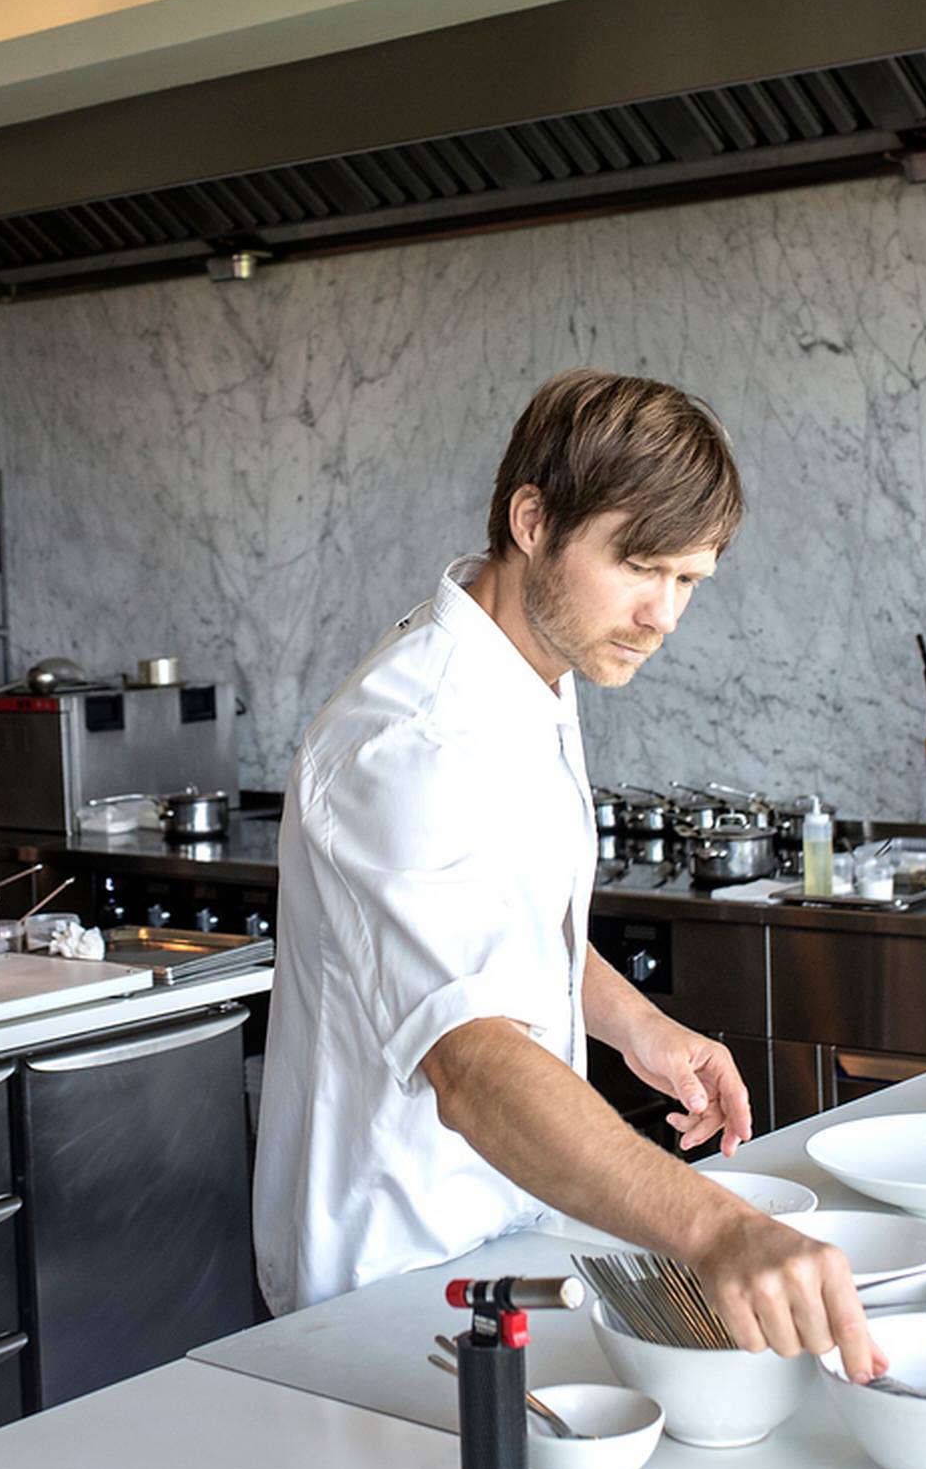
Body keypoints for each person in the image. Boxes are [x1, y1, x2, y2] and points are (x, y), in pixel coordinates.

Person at [253, 369, 882, 1382]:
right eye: (641, 567)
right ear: (533, 520)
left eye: (687, 581)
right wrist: (717, 1231)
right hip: (392, 1279)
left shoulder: (532, 669)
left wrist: (638, 1025)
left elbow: (501, 917)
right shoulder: (409, 741)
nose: (661, 615)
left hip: (506, 1239)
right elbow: (471, 1068)